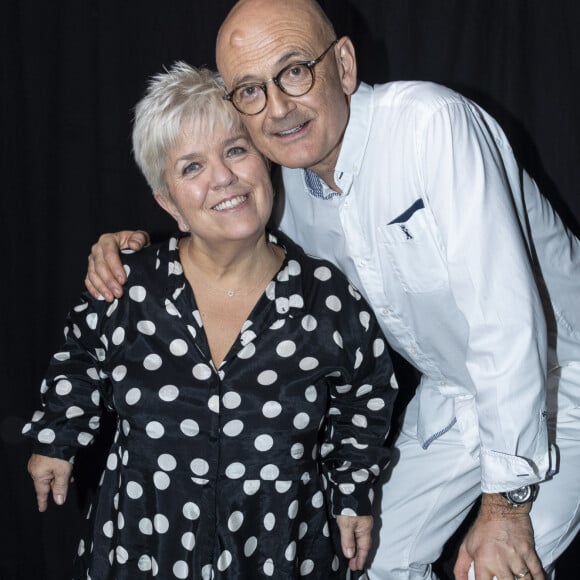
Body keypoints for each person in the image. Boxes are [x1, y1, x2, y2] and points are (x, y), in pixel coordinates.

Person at [84, 1, 580, 579]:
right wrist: (134, 250)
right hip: (456, 395)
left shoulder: (432, 125)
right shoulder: (284, 187)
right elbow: (220, 240)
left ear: (343, 65)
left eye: (295, 71)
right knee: (370, 565)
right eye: (250, 90)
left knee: (492, 570)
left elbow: (506, 318)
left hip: (562, 384)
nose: (277, 108)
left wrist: (506, 504)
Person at [23, 61, 397, 579]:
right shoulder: (125, 285)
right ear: (168, 202)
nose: (223, 177)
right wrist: (57, 438)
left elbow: (367, 396)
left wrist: (354, 493)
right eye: (191, 167)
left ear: (266, 161)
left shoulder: (327, 300)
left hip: (278, 552)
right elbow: (81, 356)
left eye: (236, 150)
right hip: (141, 547)